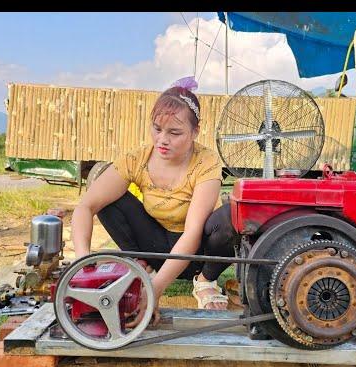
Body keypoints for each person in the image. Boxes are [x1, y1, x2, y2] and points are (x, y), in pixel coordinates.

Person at [71, 76, 237, 327]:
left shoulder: (206, 162)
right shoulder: (138, 158)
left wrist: (154, 290)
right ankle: (144, 267)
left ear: (195, 131)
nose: (162, 139)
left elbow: (192, 232)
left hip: (197, 255)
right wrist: (82, 262)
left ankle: (204, 281)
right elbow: (86, 206)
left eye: (175, 132)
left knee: (229, 216)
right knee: (108, 199)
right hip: (155, 247)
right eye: (157, 129)